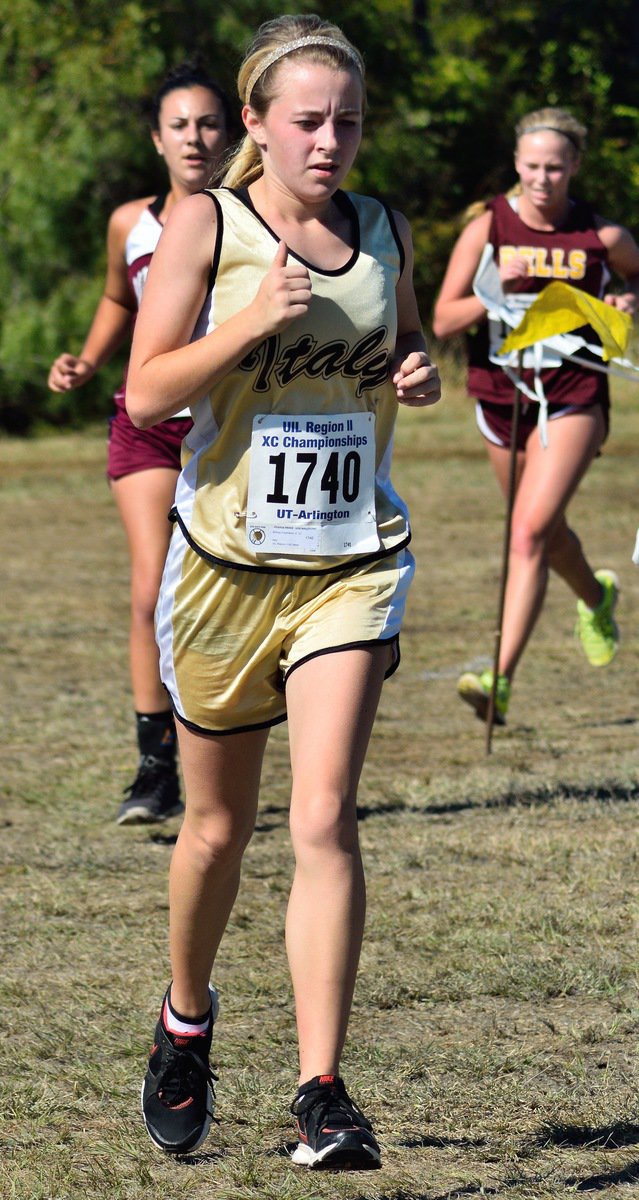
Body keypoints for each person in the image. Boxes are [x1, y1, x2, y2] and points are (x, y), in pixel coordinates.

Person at [125, 13, 440, 1169]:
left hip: (350, 565)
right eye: (307, 121)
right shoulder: (210, 224)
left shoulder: (386, 226)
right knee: (215, 828)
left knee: (322, 818)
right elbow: (147, 392)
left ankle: (321, 1093)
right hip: (223, 571)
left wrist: (419, 367)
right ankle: (185, 1018)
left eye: (348, 121)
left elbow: (403, 346)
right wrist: (251, 321)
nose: (330, 142)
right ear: (256, 124)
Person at [48, 63, 233, 822]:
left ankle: (222, 745)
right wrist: (89, 359)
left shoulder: (249, 217)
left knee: (222, 593)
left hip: (231, 426)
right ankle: (156, 768)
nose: (195, 137)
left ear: (235, 131)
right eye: (179, 125)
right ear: (157, 140)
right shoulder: (132, 222)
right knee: (150, 589)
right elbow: (117, 296)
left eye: (208, 123)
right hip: (149, 424)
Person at [433, 107, 639, 726]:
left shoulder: (602, 237)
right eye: (531, 167)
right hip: (502, 396)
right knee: (543, 535)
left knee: (527, 533)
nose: (542, 179)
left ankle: (498, 677)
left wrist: (627, 301)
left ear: (575, 166)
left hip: (575, 394)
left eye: (555, 167)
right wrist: (496, 290)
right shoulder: (489, 228)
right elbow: (443, 319)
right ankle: (597, 596)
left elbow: (634, 278)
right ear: (516, 166)